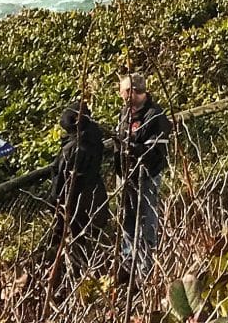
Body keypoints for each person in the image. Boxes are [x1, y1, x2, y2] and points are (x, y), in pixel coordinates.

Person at [116, 70, 172, 270]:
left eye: (122, 91)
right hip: (125, 175)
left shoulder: (156, 116)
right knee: (126, 217)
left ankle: (146, 264)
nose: (121, 95)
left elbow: (155, 149)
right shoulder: (125, 113)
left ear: (131, 91)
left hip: (146, 175)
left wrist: (135, 150)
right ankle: (128, 260)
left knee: (146, 217)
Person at [49, 90, 108, 269]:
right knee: (92, 241)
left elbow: (62, 180)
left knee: (76, 245)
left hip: (74, 203)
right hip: (95, 197)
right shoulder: (94, 138)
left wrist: (54, 202)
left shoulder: (73, 149)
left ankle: (78, 277)